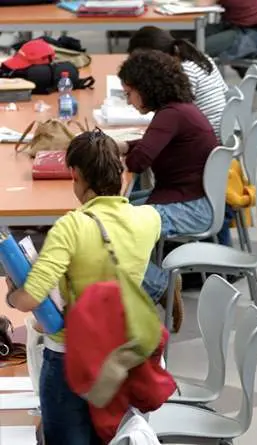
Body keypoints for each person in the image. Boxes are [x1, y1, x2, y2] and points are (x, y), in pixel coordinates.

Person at [5, 130, 163, 445]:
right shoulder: (149, 219)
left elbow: (30, 299)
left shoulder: (71, 227)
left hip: (69, 358)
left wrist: (13, 291)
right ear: (120, 173)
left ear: (75, 175)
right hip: (122, 354)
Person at [116, 49, 219, 332]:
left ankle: (159, 284)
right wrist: (124, 146)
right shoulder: (179, 110)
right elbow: (152, 145)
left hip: (191, 208)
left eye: (129, 93)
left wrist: (122, 152)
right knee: (115, 216)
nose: (128, 100)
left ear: (146, 88)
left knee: (112, 231)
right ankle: (141, 287)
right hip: (192, 199)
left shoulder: (170, 115)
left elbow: (139, 161)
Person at [127, 26, 229, 142]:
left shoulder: (182, 73)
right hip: (220, 132)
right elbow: (225, 91)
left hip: (206, 141)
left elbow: (173, 117)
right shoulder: (201, 59)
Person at [175, 0, 257, 74]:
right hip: (233, 25)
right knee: (181, 35)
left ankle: (192, 87)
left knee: (198, 49)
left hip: (249, 33)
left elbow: (202, 3)